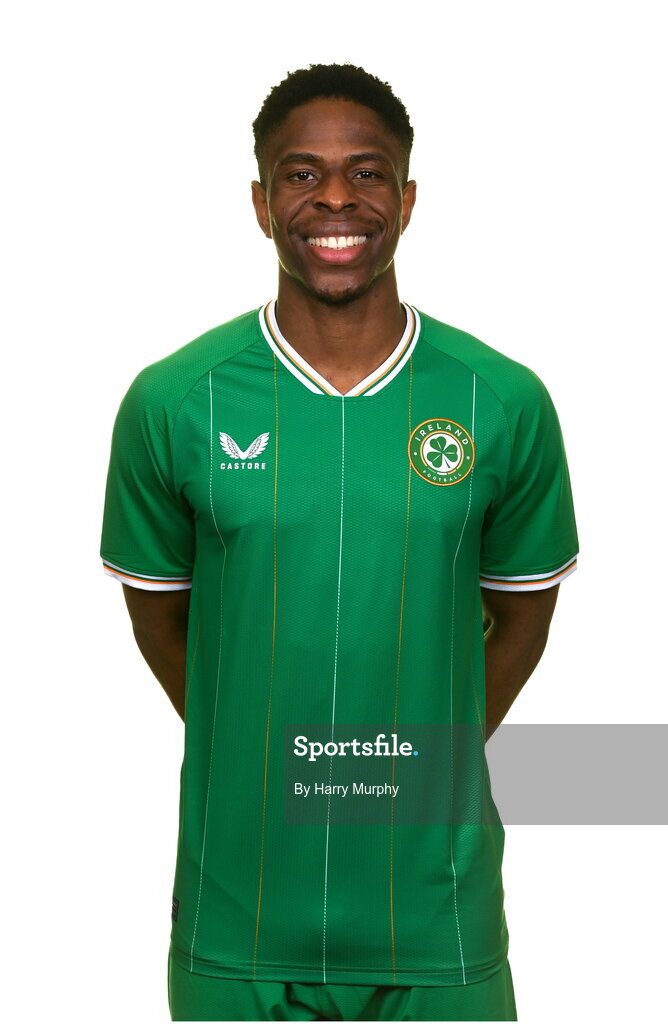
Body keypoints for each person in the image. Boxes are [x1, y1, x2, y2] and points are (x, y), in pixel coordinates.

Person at [100, 63, 578, 1022]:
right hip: (240, 925)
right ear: (260, 200)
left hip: (437, 923)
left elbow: (521, 621)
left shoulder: (502, 399)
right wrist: (261, 748)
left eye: (365, 174)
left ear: (406, 200)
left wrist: (403, 762)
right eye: (300, 173)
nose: (333, 198)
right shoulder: (175, 400)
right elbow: (165, 626)